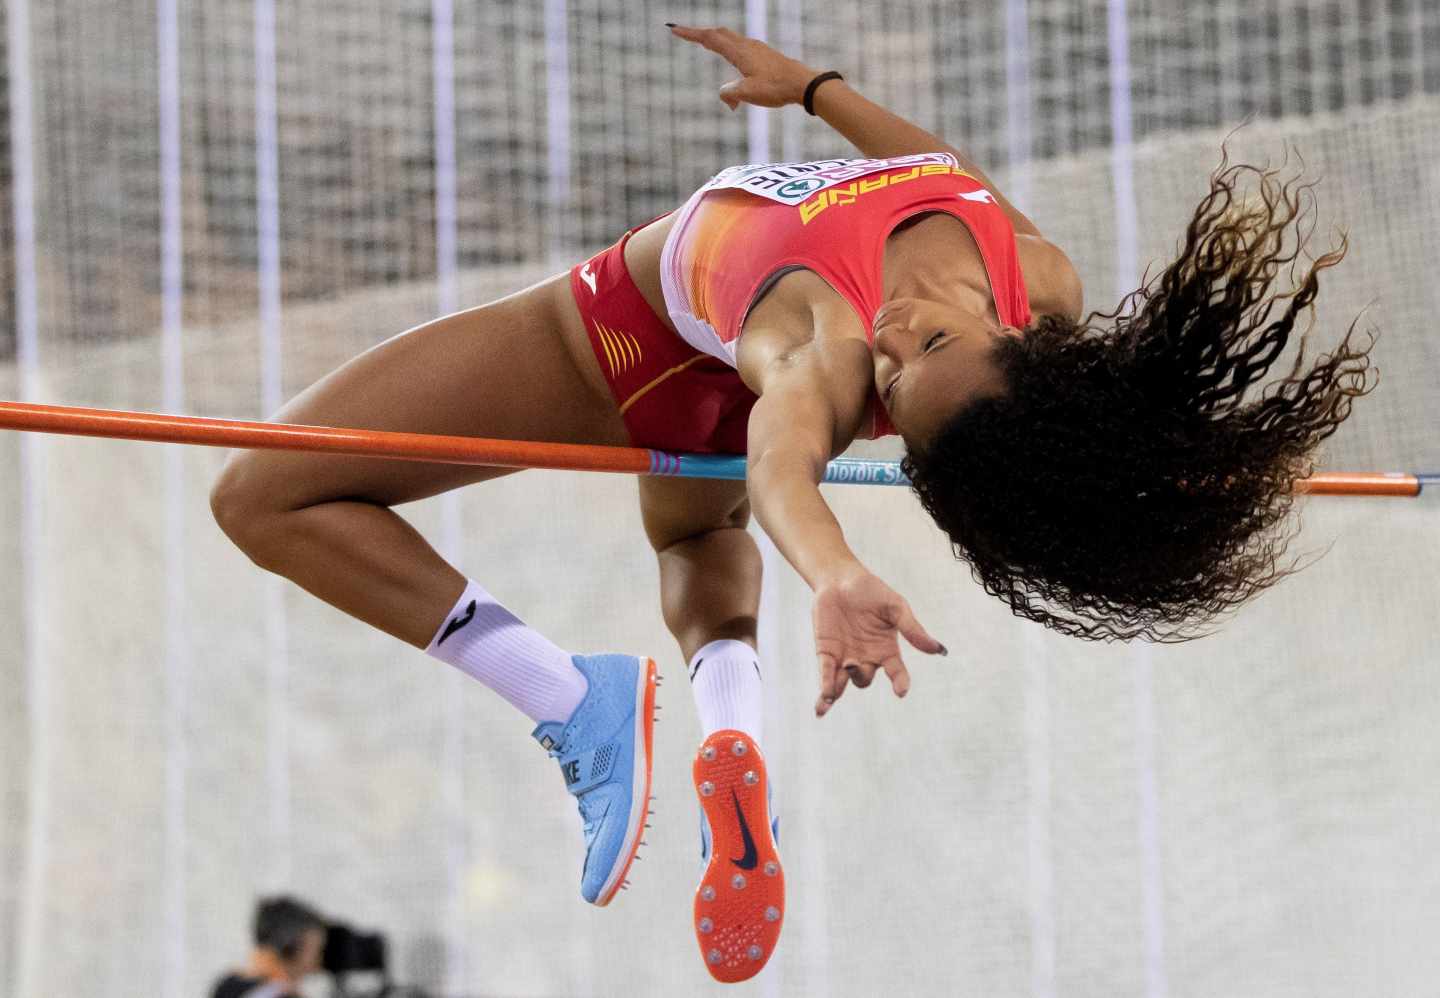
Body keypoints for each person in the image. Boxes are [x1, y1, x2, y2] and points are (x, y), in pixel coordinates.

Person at [208, 25, 1374, 983]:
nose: (899, 342)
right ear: (1026, 331)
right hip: (712, 378)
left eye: (896, 382)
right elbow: (943, 172)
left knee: (261, 493)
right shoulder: (1044, 271)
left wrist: (835, 571)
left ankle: (571, 698)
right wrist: (817, 91)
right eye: (933, 342)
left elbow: (778, 467)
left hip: (615, 341)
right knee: (692, 531)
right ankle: (729, 728)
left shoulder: (825, 344)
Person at [210, 896, 327, 998]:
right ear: (289, 946)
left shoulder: (228, 986)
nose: (317, 963)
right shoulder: (278, 993)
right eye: (316, 951)